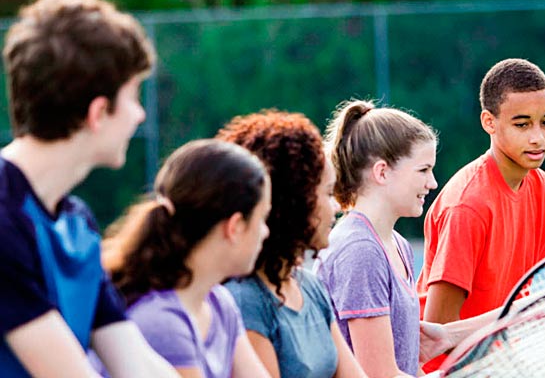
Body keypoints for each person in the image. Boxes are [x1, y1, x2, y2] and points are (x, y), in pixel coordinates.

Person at [0, 0, 178, 377]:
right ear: (98, 112)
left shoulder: (76, 221)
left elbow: (135, 362)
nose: (140, 114)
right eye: (133, 96)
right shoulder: (4, 222)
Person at [102, 139, 273, 378]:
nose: (266, 232)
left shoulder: (218, 303)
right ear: (234, 226)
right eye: (262, 218)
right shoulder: (162, 322)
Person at [218, 110, 365, 378]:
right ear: (295, 202)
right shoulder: (246, 299)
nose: (335, 207)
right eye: (328, 193)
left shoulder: (309, 286)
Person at [416, 58, 545, 332]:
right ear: (489, 122)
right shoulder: (468, 206)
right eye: (522, 124)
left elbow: (525, 295)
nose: (538, 138)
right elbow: (437, 331)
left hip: (503, 357)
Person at [316, 99, 439, 377]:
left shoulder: (398, 245)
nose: (432, 183)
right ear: (382, 172)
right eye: (423, 170)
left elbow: (407, 367)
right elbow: (379, 374)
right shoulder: (360, 251)